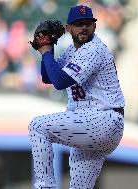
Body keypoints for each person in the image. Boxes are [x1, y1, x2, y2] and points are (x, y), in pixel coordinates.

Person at [28, 5, 125, 189]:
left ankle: (44, 186)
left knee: (37, 127)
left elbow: (59, 82)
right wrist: (47, 49)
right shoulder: (73, 51)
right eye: (78, 24)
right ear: (69, 28)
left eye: (88, 23)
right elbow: (48, 76)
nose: (84, 28)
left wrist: (46, 50)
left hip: (101, 119)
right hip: (93, 123)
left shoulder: (93, 49)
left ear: (94, 27)